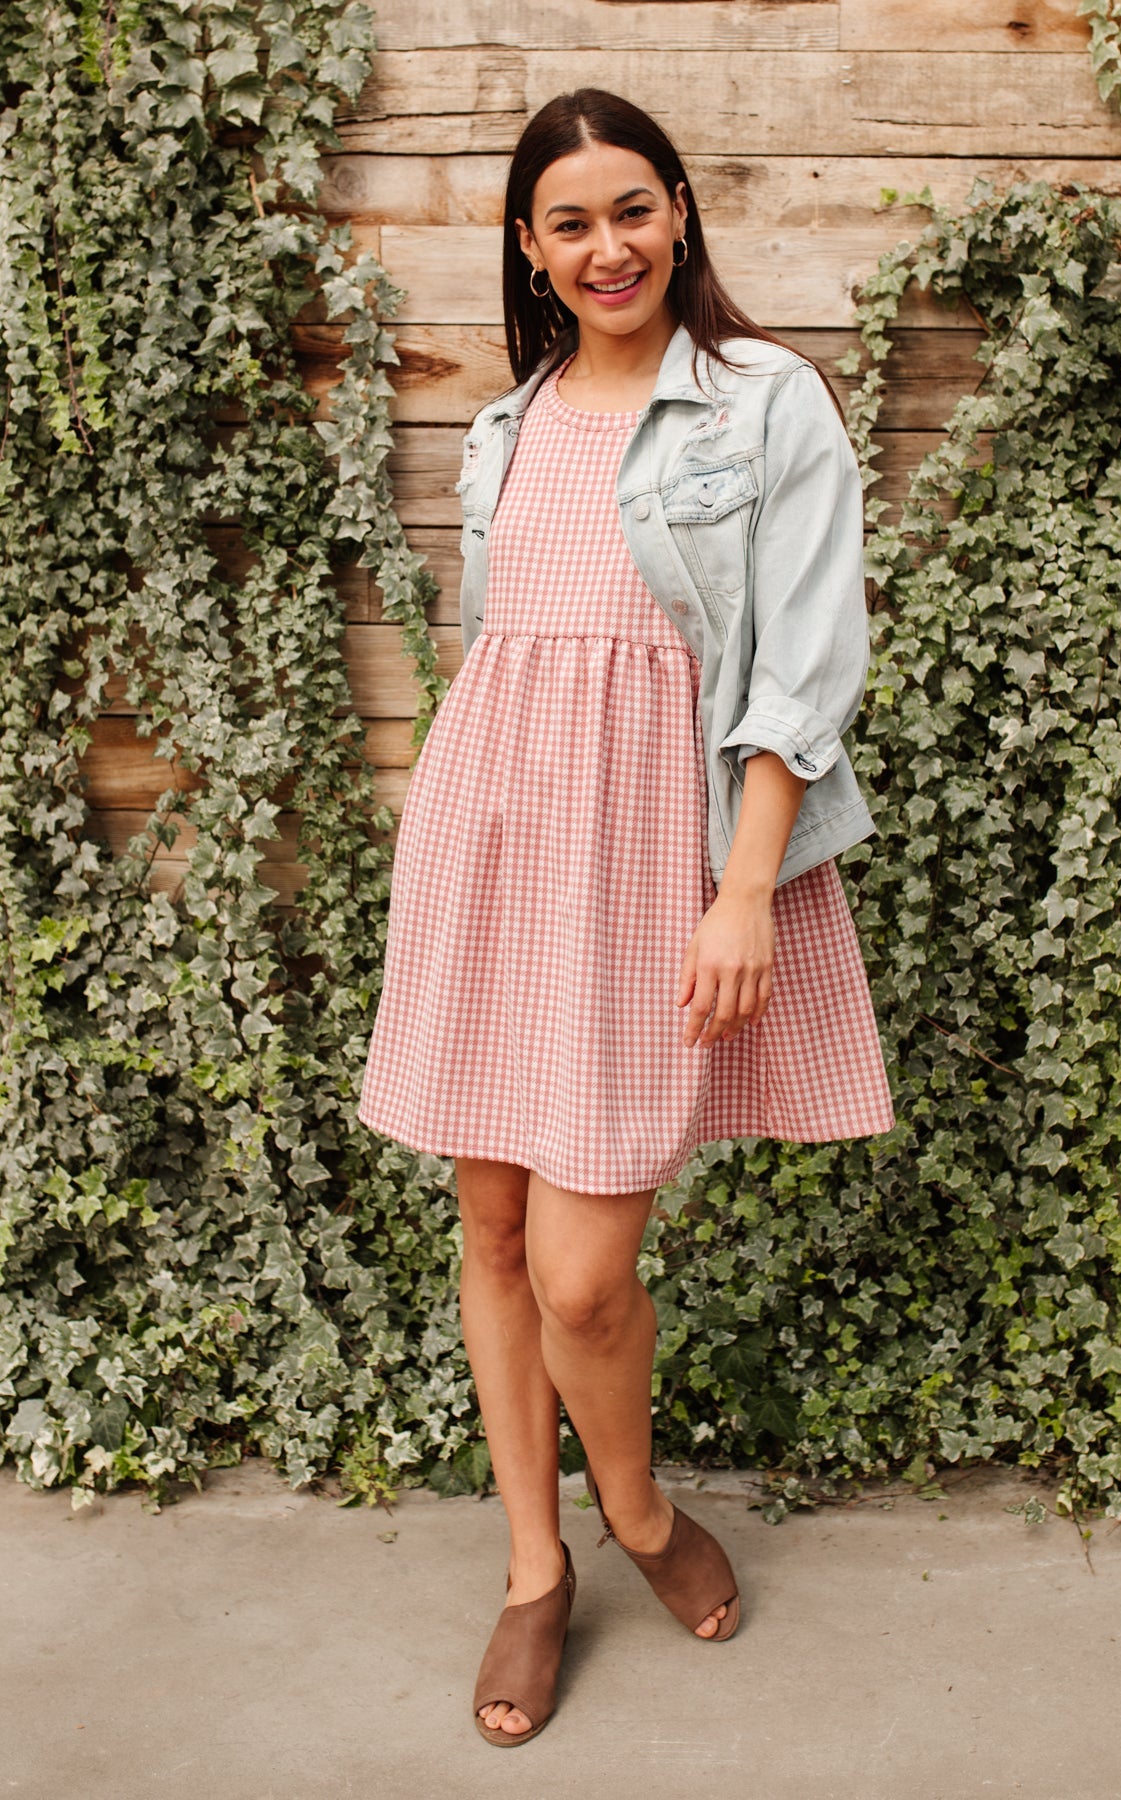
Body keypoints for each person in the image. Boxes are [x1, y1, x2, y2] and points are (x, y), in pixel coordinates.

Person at [357, 87, 894, 1747]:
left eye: (635, 208)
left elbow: (801, 666)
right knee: (498, 1234)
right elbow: (510, 665)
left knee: (588, 1275)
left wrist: (746, 888)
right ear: (528, 246)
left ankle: (640, 1513)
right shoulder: (507, 423)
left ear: (682, 213)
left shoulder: (763, 401)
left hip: (657, 862)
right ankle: (536, 1568)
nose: (610, 246)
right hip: (499, 849)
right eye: (571, 221)